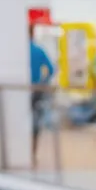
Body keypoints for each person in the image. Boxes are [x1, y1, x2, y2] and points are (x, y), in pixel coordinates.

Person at [30, 28, 56, 161]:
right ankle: (33, 152)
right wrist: (43, 82)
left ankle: (23, 150)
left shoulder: (18, 52)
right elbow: (51, 69)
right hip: (36, 90)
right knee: (35, 122)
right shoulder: (38, 50)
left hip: (23, 92)